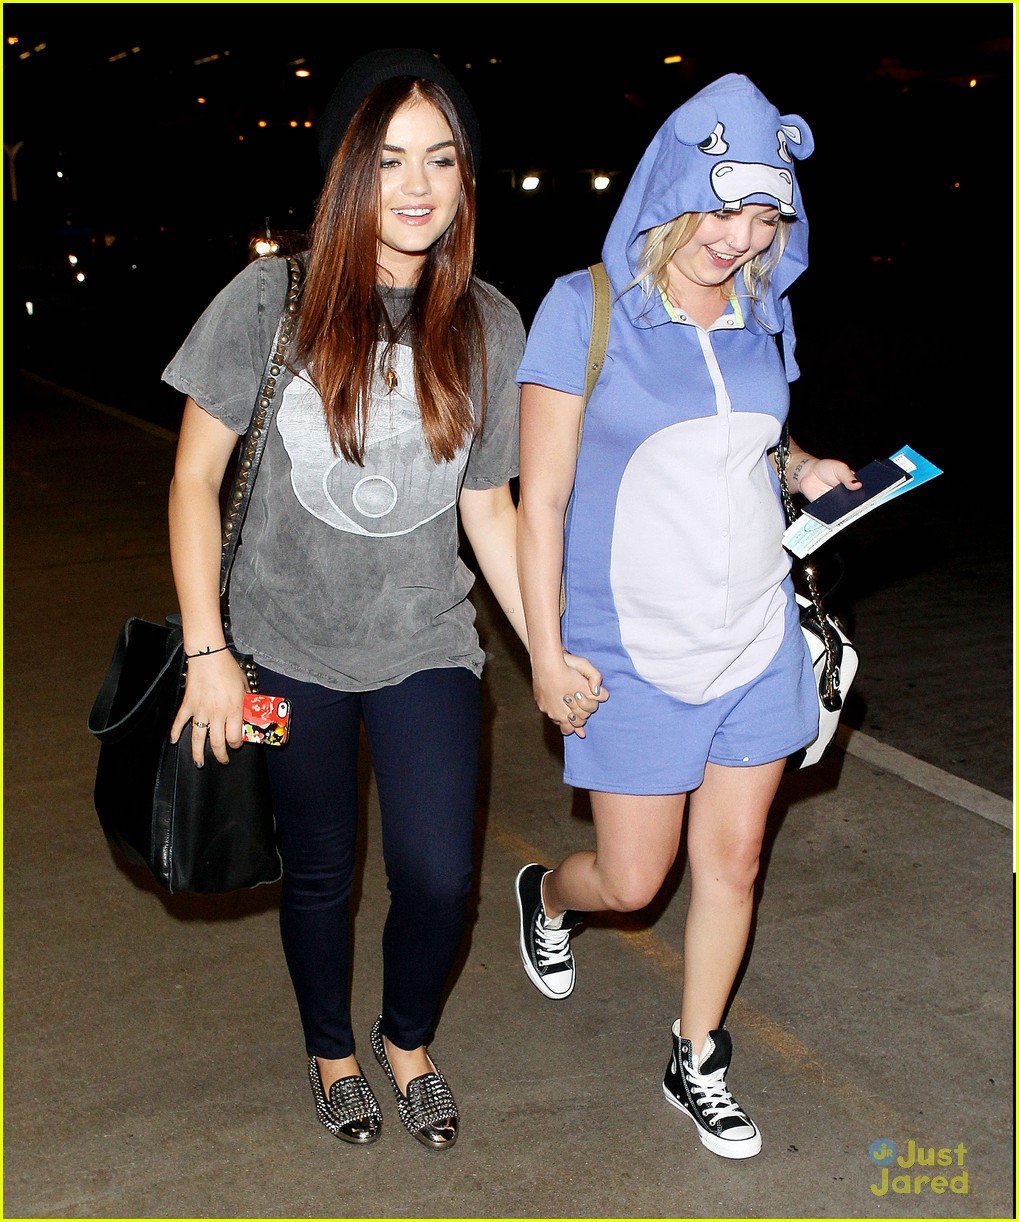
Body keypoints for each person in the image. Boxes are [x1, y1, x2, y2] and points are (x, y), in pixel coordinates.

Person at [162, 48, 598, 1150]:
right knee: (319, 869)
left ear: (465, 180)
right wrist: (210, 653)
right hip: (283, 646)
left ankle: (405, 1039)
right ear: (349, 170)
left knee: (438, 873)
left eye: (440, 161)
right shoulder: (273, 299)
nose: (416, 185)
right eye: (391, 158)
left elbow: (489, 509)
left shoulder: (486, 323)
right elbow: (192, 480)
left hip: (424, 642)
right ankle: (332, 1051)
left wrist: (543, 650)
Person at [513, 74, 861, 1160]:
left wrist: (804, 467)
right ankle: (548, 898)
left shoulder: (767, 311)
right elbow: (544, 499)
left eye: (763, 214)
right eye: (720, 206)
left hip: (753, 633)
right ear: (671, 192)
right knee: (630, 879)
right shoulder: (586, 307)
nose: (738, 235)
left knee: (735, 860)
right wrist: (543, 649)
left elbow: (751, 443)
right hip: (628, 647)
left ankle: (695, 1050)